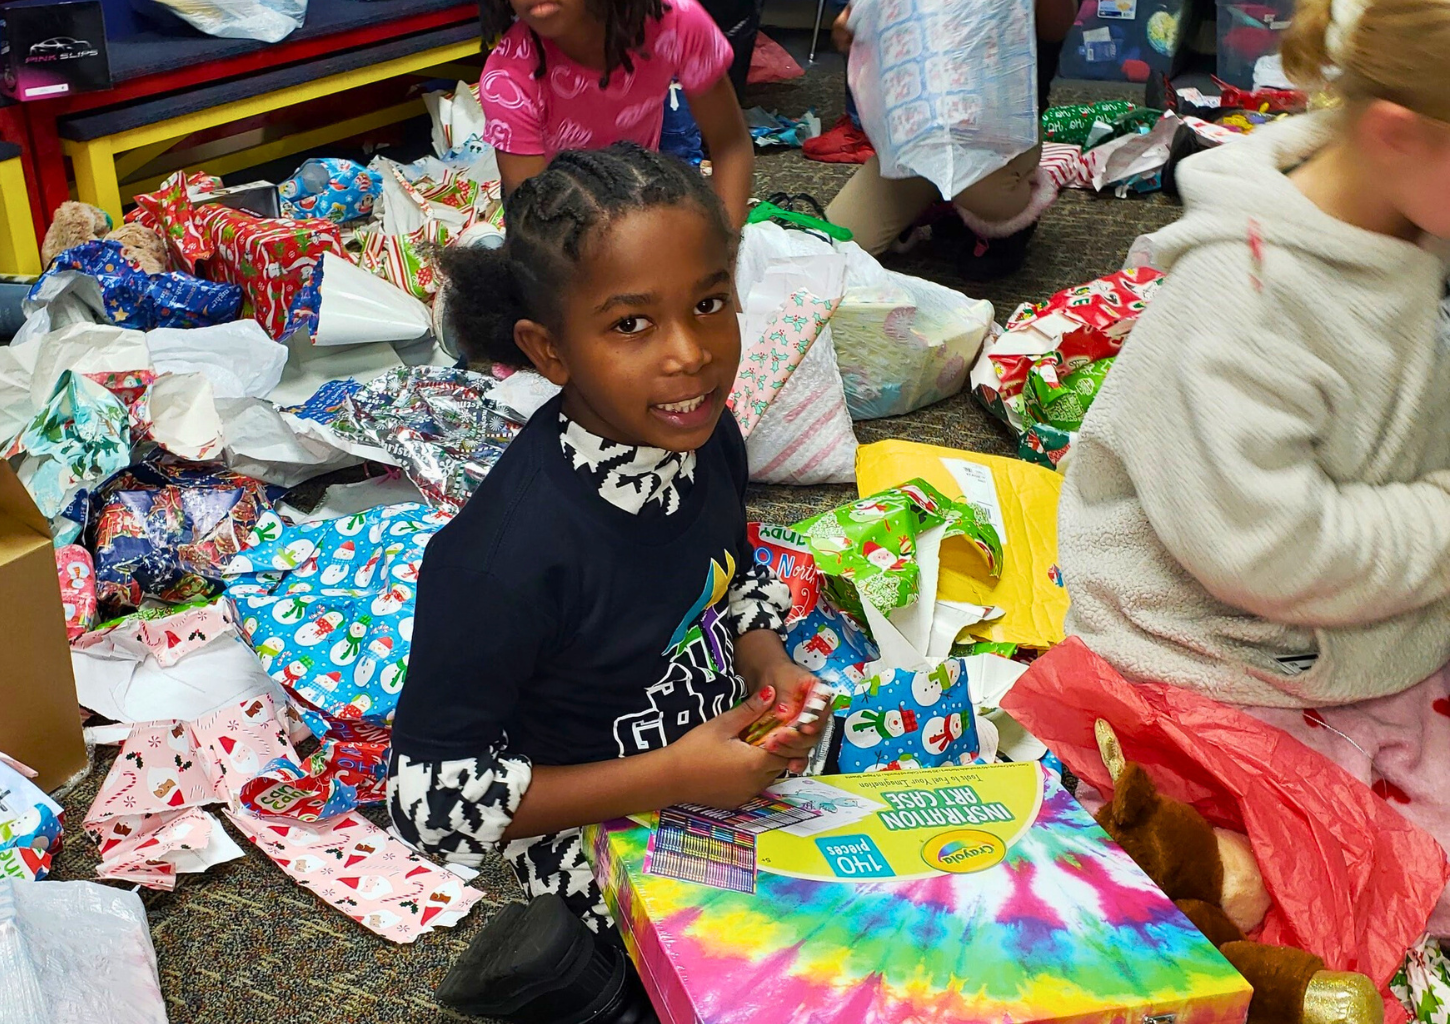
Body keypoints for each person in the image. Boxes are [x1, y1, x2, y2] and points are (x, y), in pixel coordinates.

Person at [388, 144, 830, 1019]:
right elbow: (429, 805)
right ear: (549, 351)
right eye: (632, 324)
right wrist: (677, 776)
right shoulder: (501, 559)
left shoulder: (703, 440)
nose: (691, 355)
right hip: (591, 829)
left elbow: (727, 581)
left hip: (710, 772)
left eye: (709, 304)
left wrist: (767, 663)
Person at [1058, 0, 1450, 928]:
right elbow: (1270, 550)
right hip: (1216, 648)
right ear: (1398, 133)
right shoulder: (1245, 301)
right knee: (1315, 889)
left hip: (1364, 598)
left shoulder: (1405, 205)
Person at [817, 0, 1077, 280]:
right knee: (836, 247)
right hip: (918, 134)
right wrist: (858, 17)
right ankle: (936, 198)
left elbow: (1055, 28)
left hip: (995, 138)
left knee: (989, 201)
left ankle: (1015, 189)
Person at [475, 0, 755, 227]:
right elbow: (538, 226)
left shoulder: (676, 22)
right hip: (553, 226)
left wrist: (723, 259)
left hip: (639, 194)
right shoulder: (508, 81)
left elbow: (730, 144)